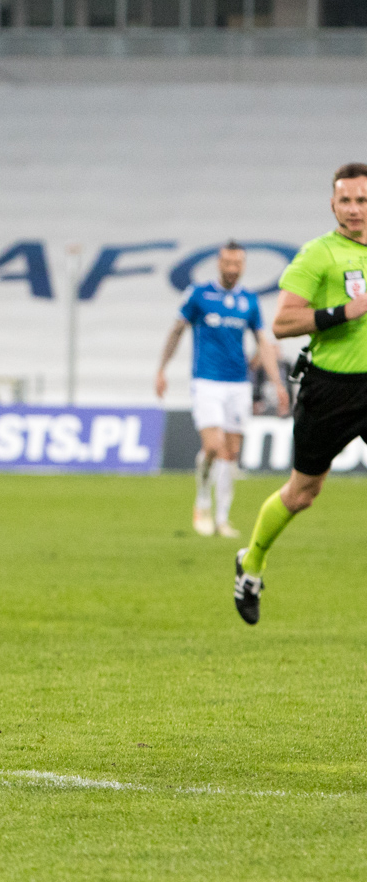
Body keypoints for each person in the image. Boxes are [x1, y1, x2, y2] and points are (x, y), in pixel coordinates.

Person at [235, 163, 367, 625]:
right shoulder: (318, 255)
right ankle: (251, 563)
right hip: (331, 390)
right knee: (302, 494)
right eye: (346, 200)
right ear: (332, 204)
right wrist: (346, 311)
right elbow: (283, 323)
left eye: (362, 200)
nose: (354, 209)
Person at [155, 241, 287, 539]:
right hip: (206, 381)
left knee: (232, 453)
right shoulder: (199, 295)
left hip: (238, 384)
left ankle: (222, 518)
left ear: (243, 265)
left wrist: (277, 383)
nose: (231, 269)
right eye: (227, 263)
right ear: (218, 263)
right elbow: (177, 330)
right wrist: (162, 369)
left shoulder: (249, 301)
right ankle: (202, 503)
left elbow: (263, 343)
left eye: (237, 264)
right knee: (214, 447)